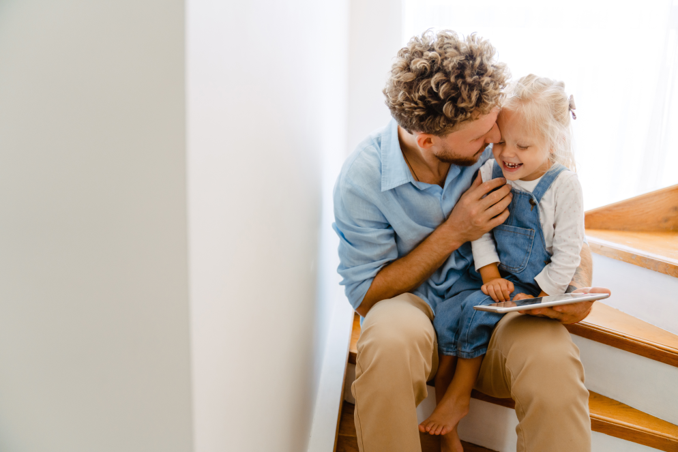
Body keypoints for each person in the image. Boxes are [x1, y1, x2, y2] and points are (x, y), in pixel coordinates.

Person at [333, 30, 609, 452]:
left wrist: (574, 288)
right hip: (418, 311)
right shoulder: (363, 179)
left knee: (553, 361)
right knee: (385, 343)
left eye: (494, 126)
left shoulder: (501, 141)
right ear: (428, 141)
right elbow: (367, 296)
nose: (495, 142)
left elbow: (565, 226)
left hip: (504, 304)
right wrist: (454, 232)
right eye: (483, 138)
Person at [419, 75, 587, 452]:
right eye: (500, 141)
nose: (507, 153)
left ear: (554, 141)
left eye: (523, 145)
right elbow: (480, 231)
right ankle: (450, 436)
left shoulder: (564, 187)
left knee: (478, 316)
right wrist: (490, 274)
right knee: (450, 317)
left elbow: (569, 252)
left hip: (533, 286)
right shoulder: (491, 171)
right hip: (494, 279)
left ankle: (459, 397)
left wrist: (544, 295)